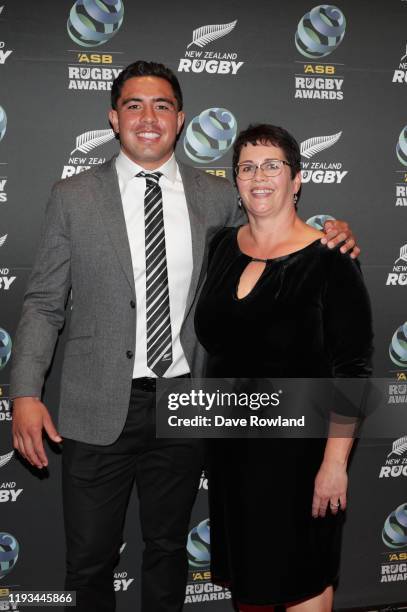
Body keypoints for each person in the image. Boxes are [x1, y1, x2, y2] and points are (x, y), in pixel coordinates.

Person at [10, 61, 359, 612]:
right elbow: (44, 302)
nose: (148, 118)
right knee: (90, 561)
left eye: (162, 106)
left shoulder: (216, 196)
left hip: (186, 404)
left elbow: (274, 230)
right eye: (134, 105)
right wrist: (26, 393)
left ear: (181, 119)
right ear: (113, 117)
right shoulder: (72, 196)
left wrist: (333, 235)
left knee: (169, 549)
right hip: (96, 406)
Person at [194, 124, 373, 611]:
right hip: (233, 458)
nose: (259, 176)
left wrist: (334, 465)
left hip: (302, 459)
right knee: (249, 588)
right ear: (235, 180)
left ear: (297, 180)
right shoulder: (219, 248)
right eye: (247, 167)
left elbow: (352, 371)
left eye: (273, 165)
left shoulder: (332, 258)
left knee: (303, 586)